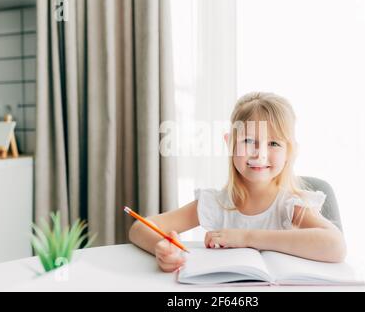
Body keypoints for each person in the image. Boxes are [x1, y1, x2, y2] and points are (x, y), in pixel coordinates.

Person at [129, 92, 347, 272]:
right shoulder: (217, 204)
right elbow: (139, 228)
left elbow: (336, 246)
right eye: (248, 141)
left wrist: (247, 237)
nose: (259, 154)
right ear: (230, 143)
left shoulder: (291, 205)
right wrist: (162, 248)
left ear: (290, 151)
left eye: (273, 143)